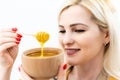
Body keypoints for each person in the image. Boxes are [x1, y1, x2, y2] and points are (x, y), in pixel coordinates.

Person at [0, 0, 120, 80]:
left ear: (107, 35)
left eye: (78, 30)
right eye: (62, 31)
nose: (66, 40)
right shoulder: (44, 75)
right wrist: (6, 68)